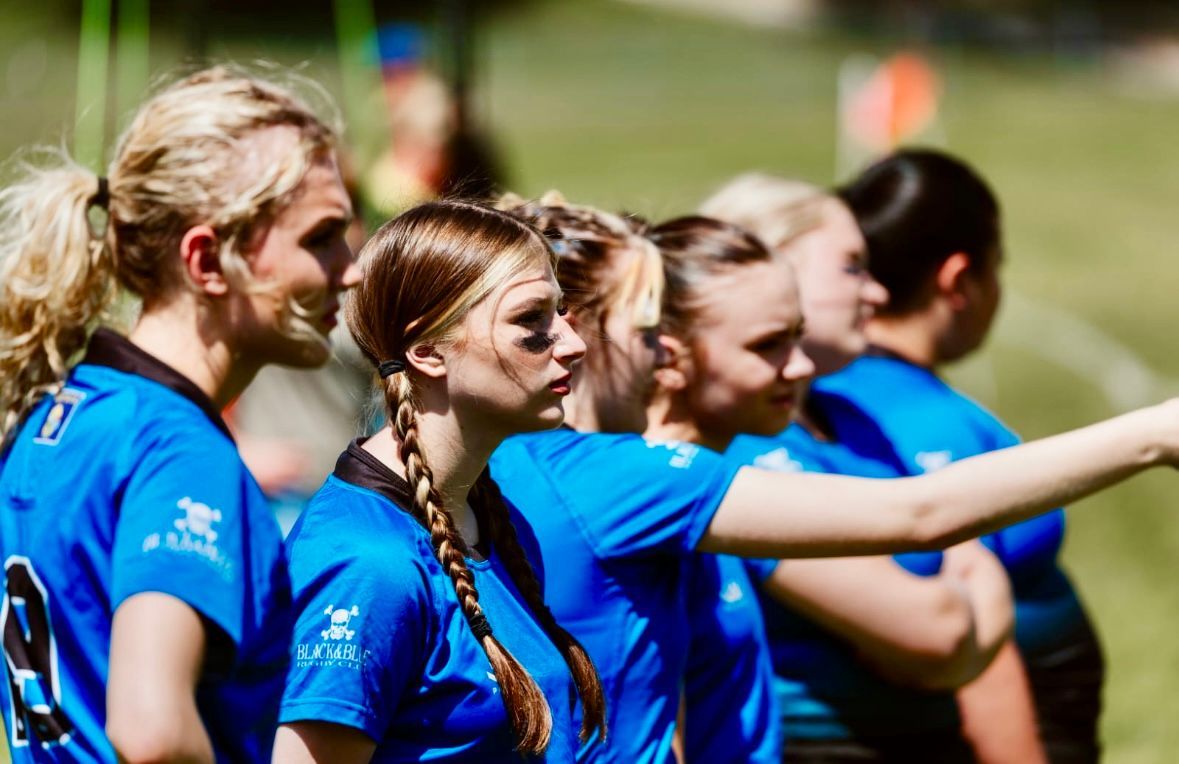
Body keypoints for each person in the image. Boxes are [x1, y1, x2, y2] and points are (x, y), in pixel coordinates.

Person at [492, 194, 1179, 764]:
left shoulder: (563, 473)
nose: (659, 355)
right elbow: (919, 517)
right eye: (645, 331)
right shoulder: (631, 483)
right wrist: (1150, 436)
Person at [0, 67, 358, 761]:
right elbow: (153, 730)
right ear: (207, 260)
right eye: (321, 238)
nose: (350, 267)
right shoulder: (179, 449)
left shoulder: (66, 412)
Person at [705, 174, 1033, 762]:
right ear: (771, 270)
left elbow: (956, 584)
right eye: (852, 267)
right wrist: (961, 590)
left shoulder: (847, 411)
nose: (878, 295)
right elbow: (936, 633)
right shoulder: (736, 451)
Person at [273, 200, 605, 763]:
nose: (572, 344)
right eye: (532, 321)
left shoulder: (493, 517)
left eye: (563, 312)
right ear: (427, 350)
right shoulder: (363, 563)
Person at [818, 148, 1103, 763]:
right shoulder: (923, 425)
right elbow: (959, 630)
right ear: (958, 280)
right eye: (997, 266)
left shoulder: (826, 398)